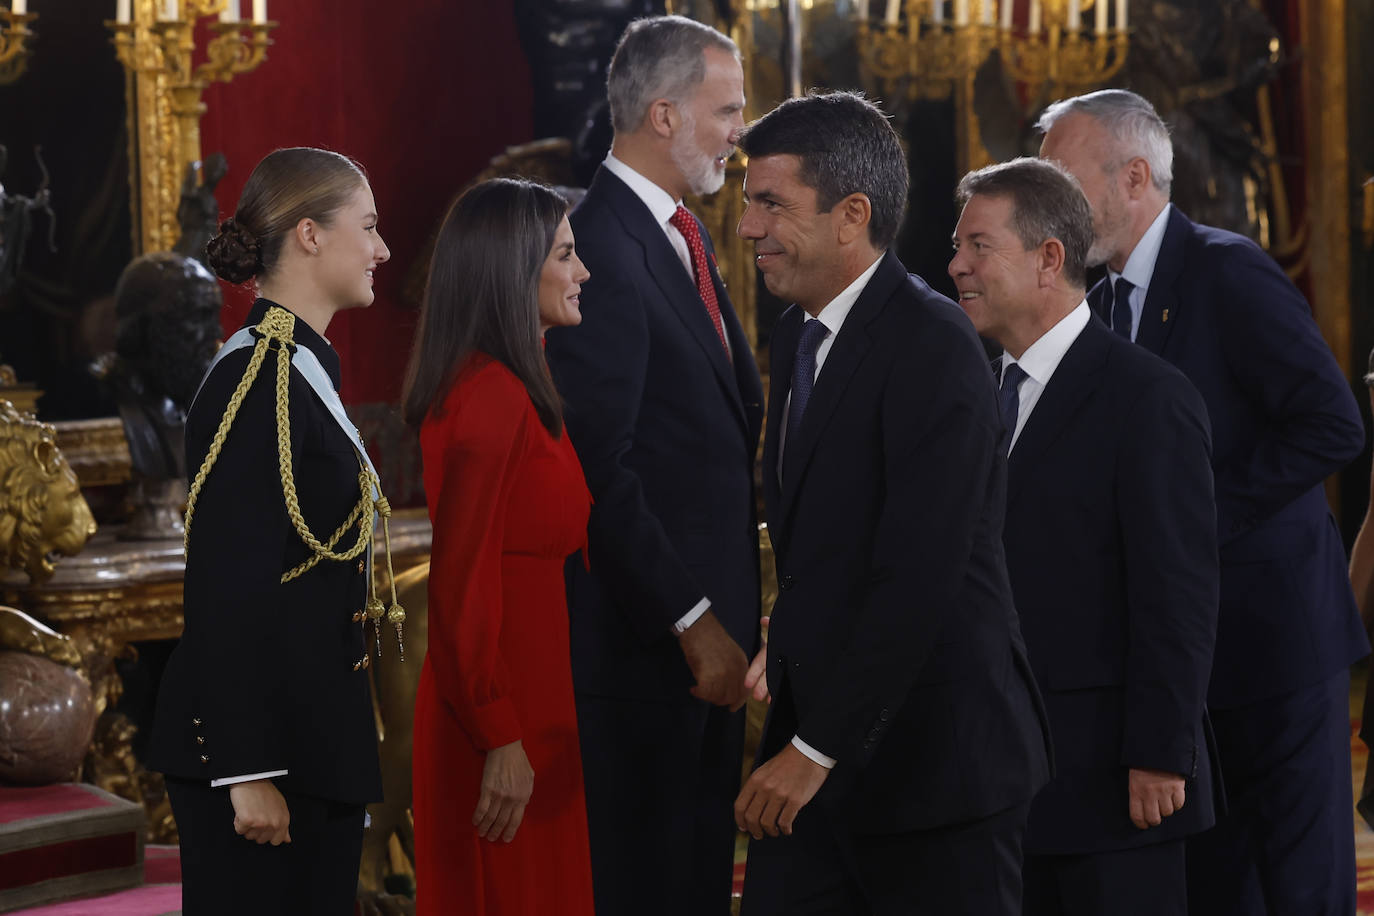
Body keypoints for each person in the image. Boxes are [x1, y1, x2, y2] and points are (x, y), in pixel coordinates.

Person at [1038, 88, 1368, 915]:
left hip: (1276, 641)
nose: (1054, 213)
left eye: (1064, 186)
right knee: (1218, 886)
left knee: (1299, 885)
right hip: (1184, 663)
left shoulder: (1228, 269)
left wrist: (1190, 523)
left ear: (1135, 177)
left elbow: (1332, 426)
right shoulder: (1095, 299)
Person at [732, 90, 1051, 916]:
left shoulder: (933, 342)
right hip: (835, 762)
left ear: (852, 215)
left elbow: (920, 574)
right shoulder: (798, 336)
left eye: (771, 204)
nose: (747, 229)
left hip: (936, 772)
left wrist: (813, 747)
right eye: (745, 204)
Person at [950, 157, 1220, 916]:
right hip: (998, 778)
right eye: (956, 245)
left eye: (978, 246)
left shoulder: (1147, 397)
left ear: (1049, 259)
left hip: (1114, 786)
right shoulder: (975, 388)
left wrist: (1161, 754)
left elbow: (1178, 593)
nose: (955, 266)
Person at [543, 15, 764, 915]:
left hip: (695, 662)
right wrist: (692, 620)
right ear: (665, 115)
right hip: (647, 659)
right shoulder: (598, 243)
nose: (740, 132)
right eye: (730, 109)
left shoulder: (682, 233)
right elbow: (600, 468)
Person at [148, 147, 394, 915]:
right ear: (311, 235)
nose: (382, 248)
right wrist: (244, 767)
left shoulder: (299, 370)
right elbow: (227, 582)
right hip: (264, 754)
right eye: (370, 226)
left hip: (307, 741)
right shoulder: (256, 377)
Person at [399, 177, 595, 915]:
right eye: (567, 255)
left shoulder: (517, 380)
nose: (583, 273)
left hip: (528, 704)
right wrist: (499, 735)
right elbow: (460, 583)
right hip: (496, 718)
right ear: (514, 268)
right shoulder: (492, 394)